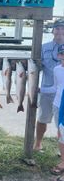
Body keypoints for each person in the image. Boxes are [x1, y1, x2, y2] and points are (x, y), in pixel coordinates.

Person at [34, 19, 64, 152]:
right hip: (46, 89)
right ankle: (38, 143)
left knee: (62, 124)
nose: (60, 31)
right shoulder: (44, 47)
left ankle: (61, 149)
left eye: (62, 28)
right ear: (52, 30)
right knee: (42, 119)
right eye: (57, 28)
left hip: (62, 94)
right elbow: (36, 66)